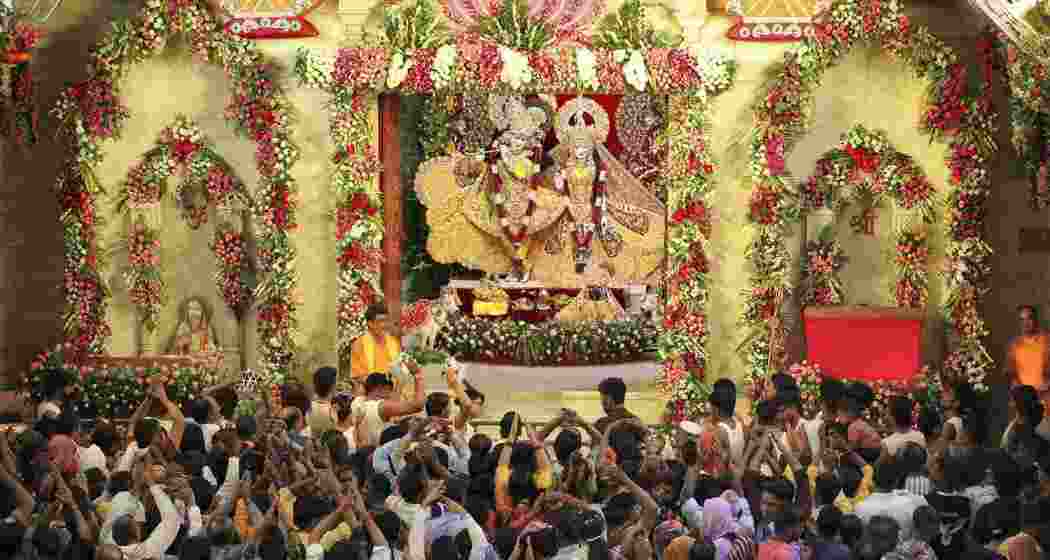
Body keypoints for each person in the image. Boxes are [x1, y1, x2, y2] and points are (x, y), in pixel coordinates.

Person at [1005, 305, 1050, 407]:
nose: (1026, 323)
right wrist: (1015, 385)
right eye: (1022, 319)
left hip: (1046, 400)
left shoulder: (1047, 341)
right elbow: (1010, 372)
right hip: (1024, 403)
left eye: (1029, 318)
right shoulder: (1014, 345)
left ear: (1036, 320)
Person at [349, 304, 402, 387]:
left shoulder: (394, 342)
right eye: (381, 321)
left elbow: (400, 372)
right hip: (370, 393)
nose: (385, 325)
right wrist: (380, 386)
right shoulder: (359, 345)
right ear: (370, 323)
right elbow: (358, 376)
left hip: (393, 393)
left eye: (386, 321)